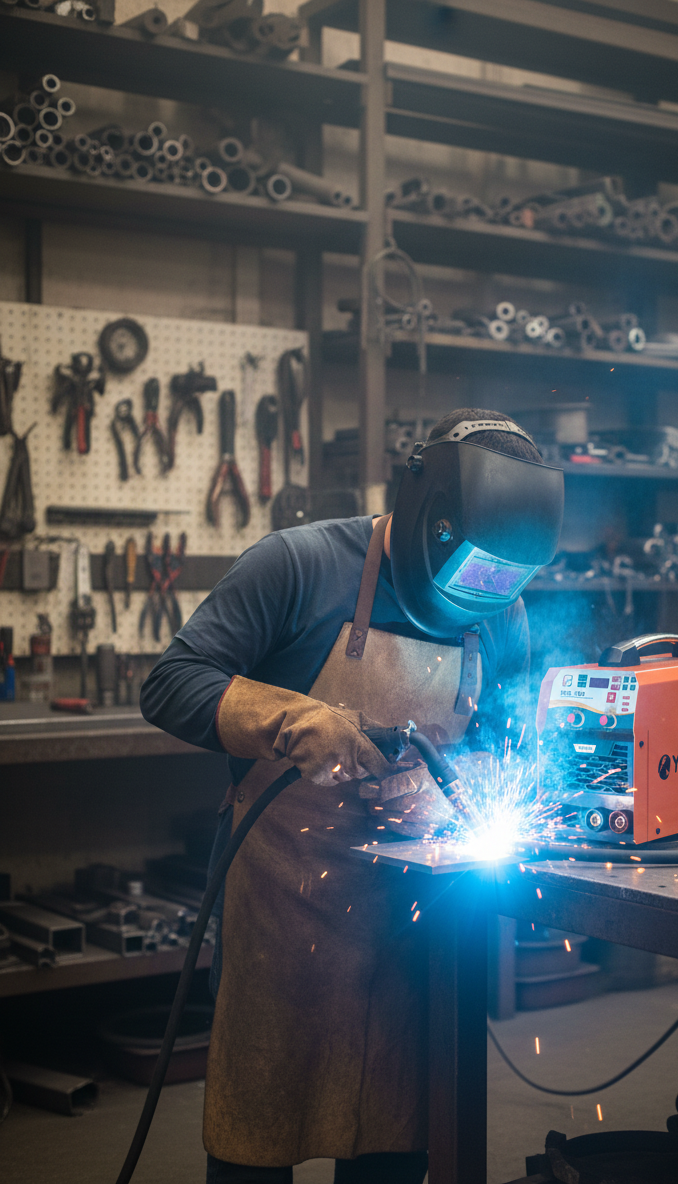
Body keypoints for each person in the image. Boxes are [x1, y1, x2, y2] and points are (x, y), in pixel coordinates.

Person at [140, 407, 564, 1184]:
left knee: (394, 1144)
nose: (482, 597)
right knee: (254, 1140)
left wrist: (449, 795)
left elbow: (504, 753)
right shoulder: (296, 564)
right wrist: (288, 717)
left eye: (499, 583)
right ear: (422, 507)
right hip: (283, 916)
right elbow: (169, 684)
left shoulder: (502, 607)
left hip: (409, 935)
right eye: (468, 571)